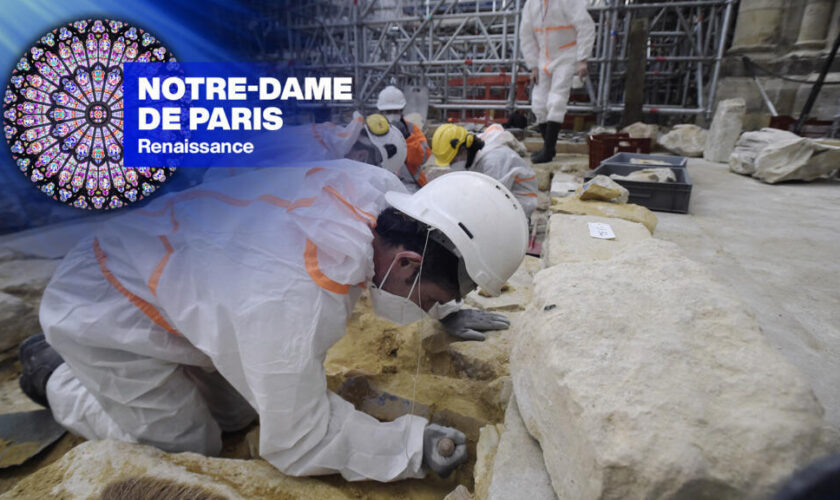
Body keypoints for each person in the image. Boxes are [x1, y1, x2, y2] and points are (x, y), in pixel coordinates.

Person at [18, 161, 528, 482]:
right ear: (410, 265)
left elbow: (433, 251)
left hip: (186, 274)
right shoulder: (294, 295)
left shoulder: (381, 197)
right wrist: (407, 447)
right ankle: (56, 376)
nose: (428, 308)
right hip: (106, 304)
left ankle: (165, 370)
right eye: (431, 297)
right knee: (190, 446)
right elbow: (298, 439)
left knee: (240, 416)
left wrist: (447, 308)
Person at [520, 0, 595, 163]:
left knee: (556, 100)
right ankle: (549, 147)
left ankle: (548, 150)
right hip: (544, 58)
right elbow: (526, 35)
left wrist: (582, 58)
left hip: (566, 54)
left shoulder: (567, 2)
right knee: (539, 103)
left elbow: (585, 26)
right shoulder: (532, 5)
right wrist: (532, 65)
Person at [431, 123, 538, 218]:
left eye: (453, 160)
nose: (452, 165)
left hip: (520, 202)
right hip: (499, 193)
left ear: (463, 150)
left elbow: (492, 201)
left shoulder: (493, 162)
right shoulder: (472, 150)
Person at [377, 85, 432, 191]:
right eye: (388, 112)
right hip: (382, 185)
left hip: (410, 184)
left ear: (402, 110)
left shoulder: (411, 129)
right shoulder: (372, 132)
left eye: (395, 111)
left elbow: (423, 157)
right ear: (381, 112)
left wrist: (407, 138)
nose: (392, 115)